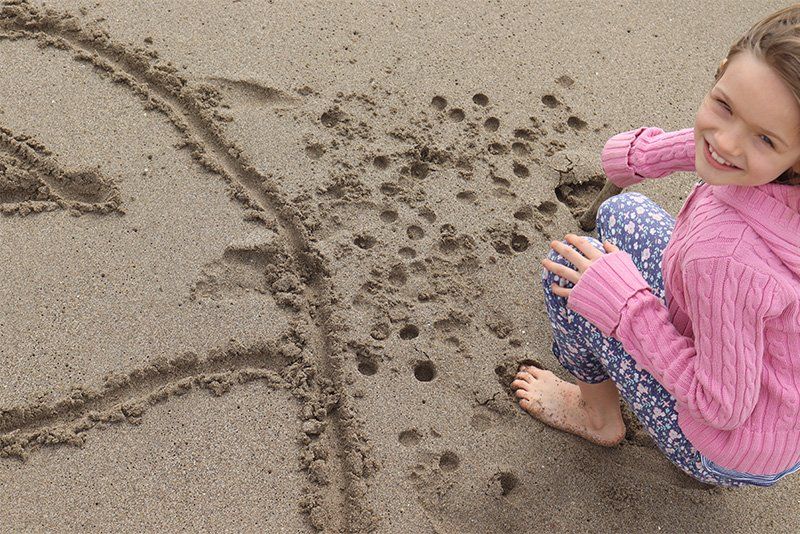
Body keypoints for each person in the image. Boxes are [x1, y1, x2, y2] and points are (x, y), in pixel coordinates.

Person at [512, 5, 800, 487]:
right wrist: (647, 156)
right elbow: (729, 145)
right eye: (725, 106)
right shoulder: (770, 168)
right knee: (622, 216)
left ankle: (598, 417)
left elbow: (720, 406)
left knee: (568, 270)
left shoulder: (725, 256)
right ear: (721, 74)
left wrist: (627, 305)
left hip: (729, 447)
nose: (725, 143)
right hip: (775, 385)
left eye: (765, 139)